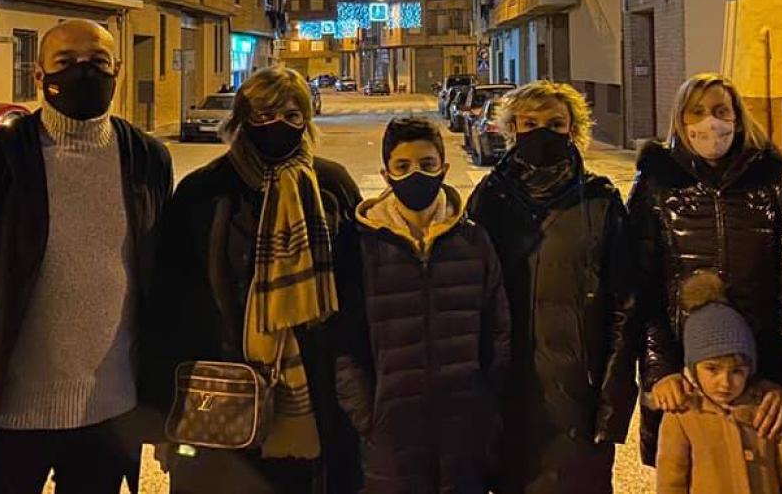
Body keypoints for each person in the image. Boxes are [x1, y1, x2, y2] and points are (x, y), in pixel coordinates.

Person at [0, 19, 173, 494]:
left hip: (110, 411)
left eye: (96, 62)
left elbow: (155, 268)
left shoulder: (147, 159)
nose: (83, 73)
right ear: (38, 75)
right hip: (11, 411)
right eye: (66, 63)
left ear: (117, 69)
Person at [142, 67, 362, 494]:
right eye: (262, 115)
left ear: (307, 120)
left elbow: (358, 292)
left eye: (291, 115)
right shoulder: (203, 191)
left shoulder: (330, 187)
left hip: (312, 394)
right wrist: (161, 410)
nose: (276, 124)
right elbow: (169, 303)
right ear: (240, 122)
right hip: (220, 394)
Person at [629, 73, 782, 467]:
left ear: (737, 117)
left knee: (770, 473)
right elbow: (639, 286)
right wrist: (659, 369)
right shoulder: (655, 186)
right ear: (680, 121)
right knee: (692, 476)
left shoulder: (772, 186)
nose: (709, 123)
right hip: (684, 380)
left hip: (761, 377)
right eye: (696, 112)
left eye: (720, 111)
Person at [465, 81, 638, 494]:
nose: (542, 131)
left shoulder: (600, 200)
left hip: (578, 394)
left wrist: (613, 400)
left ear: (574, 130)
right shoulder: (489, 199)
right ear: (511, 130)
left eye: (555, 123)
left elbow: (626, 303)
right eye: (530, 122)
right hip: (509, 396)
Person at [336, 116, 511, 494]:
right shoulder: (360, 244)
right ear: (386, 174)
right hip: (391, 434)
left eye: (427, 165)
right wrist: (368, 416)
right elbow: (344, 342)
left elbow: (497, 329)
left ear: (444, 168)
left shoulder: (472, 240)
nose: (416, 174)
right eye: (403, 166)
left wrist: (483, 402)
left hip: (461, 431)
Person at [654, 273, 782, 494]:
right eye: (712, 369)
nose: (725, 382)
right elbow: (671, 482)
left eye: (737, 371)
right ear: (692, 368)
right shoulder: (683, 414)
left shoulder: (766, 407)